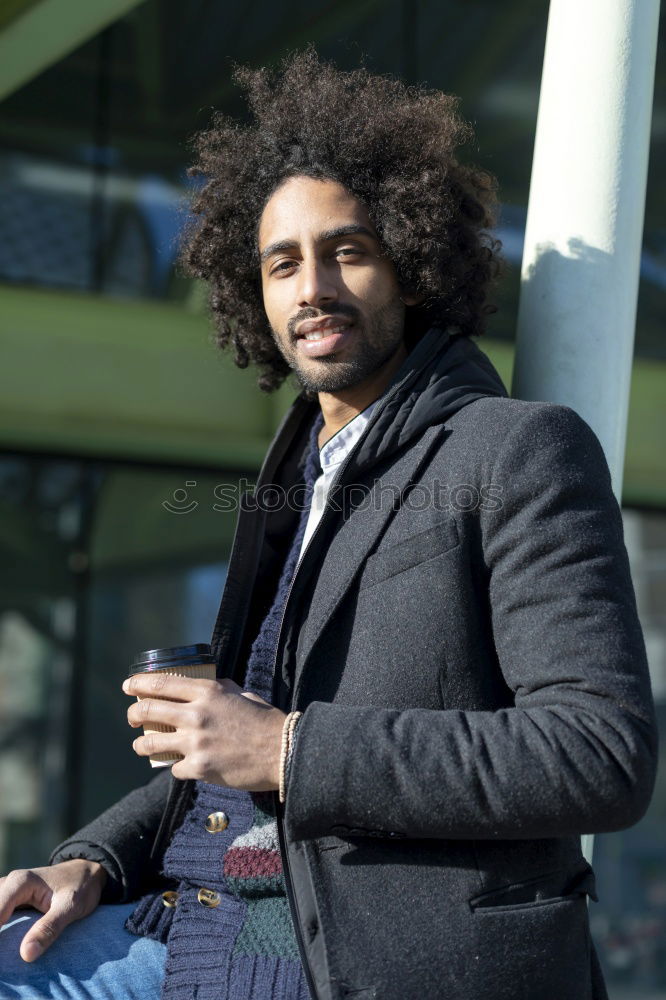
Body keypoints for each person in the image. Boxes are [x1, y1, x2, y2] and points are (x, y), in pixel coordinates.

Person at [0, 48, 658, 1000]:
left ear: (411, 260)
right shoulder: (298, 480)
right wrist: (91, 860)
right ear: (252, 294)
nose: (311, 287)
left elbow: (599, 751)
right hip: (194, 934)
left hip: (361, 962)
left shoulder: (518, 450)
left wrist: (290, 750)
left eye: (346, 251)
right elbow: (226, 759)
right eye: (281, 263)